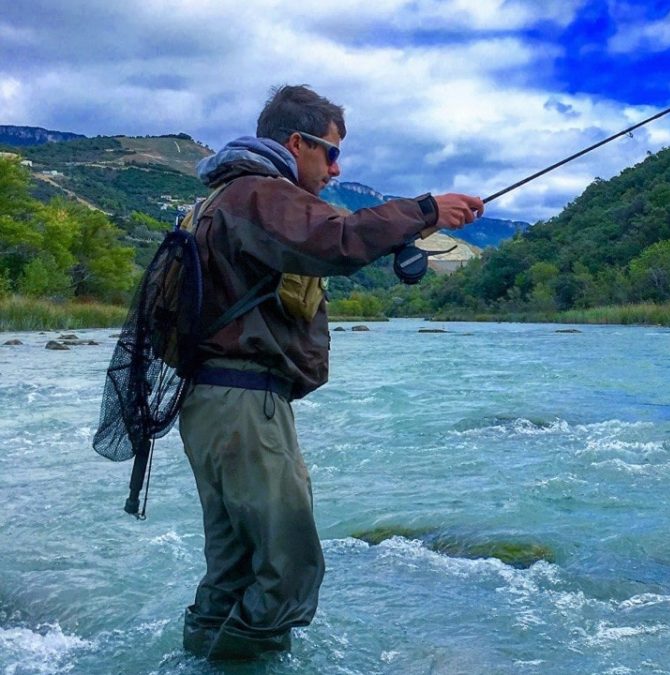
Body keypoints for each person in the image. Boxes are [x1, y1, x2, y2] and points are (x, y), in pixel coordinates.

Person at [178, 84, 483, 660]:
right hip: (244, 405)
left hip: (211, 404)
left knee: (234, 566)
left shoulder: (221, 198)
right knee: (289, 567)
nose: (337, 168)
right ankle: (247, 664)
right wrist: (424, 211)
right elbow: (336, 240)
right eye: (330, 152)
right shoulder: (260, 193)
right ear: (297, 143)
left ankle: (201, 662)